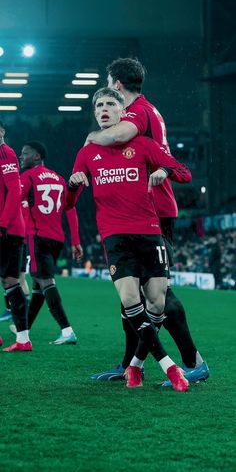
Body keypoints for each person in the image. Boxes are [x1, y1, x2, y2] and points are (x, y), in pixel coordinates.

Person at [86, 58, 209, 386]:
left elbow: (117, 137)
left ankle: (193, 361)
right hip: (140, 210)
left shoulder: (136, 112)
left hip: (149, 210)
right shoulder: (146, 109)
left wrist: (94, 139)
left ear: (117, 84)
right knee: (131, 292)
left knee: (159, 293)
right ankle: (129, 363)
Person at [68, 87, 192, 391]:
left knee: (157, 304)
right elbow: (69, 204)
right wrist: (72, 183)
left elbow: (184, 172)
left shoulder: (144, 145)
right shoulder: (86, 153)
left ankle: (135, 366)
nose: (105, 109)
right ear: (95, 113)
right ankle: (170, 366)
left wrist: (164, 170)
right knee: (129, 300)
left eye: (111, 103)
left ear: (123, 113)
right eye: (99, 105)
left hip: (149, 231)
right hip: (114, 235)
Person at [18, 141, 82, 344]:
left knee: (45, 282)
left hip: (37, 236)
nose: (21, 157)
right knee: (38, 284)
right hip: (57, 239)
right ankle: (24, 329)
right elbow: (70, 209)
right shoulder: (59, 178)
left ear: (36, 157)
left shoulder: (27, 177)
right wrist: (76, 241)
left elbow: (13, 201)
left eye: (25, 153)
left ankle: (66, 329)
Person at [0, 120, 30, 351]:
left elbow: (14, 192)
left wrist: (2, 224)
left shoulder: (6, 153)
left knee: (11, 282)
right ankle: (22, 339)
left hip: (8, 229)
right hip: (9, 228)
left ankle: (23, 338)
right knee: (10, 282)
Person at [0, 244, 30, 322]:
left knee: (7, 278)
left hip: (12, 243)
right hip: (22, 242)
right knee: (21, 279)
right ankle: (24, 312)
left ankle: (11, 311)